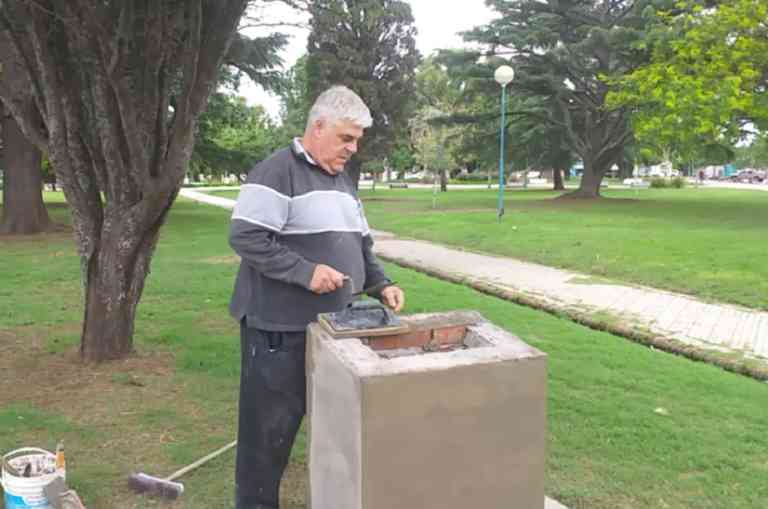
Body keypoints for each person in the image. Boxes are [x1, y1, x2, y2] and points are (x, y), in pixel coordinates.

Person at [228, 85, 405, 509]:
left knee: (332, 429)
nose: (353, 148)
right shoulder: (277, 170)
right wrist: (306, 273)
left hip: (332, 332)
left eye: (357, 140)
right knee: (266, 440)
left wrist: (381, 285)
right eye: (346, 137)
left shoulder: (342, 182)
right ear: (318, 126)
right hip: (277, 331)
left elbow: (360, 246)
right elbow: (246, 236)